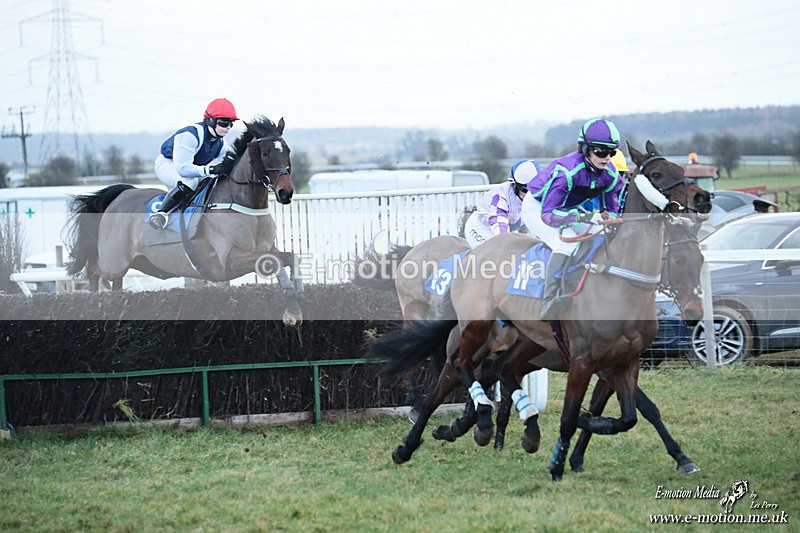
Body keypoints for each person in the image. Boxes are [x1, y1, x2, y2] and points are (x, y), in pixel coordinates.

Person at [521, 118, 625, 320]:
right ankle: (548, 301)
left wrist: (610, 219)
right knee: (566, 245)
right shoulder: (567, 172)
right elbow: (549, 215)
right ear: (585, 149)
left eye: (611, 152)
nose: (606, 158)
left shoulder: (611, 175)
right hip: (538, 207)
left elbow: (611, 207)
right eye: (601, 152)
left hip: (567, 207)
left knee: (599, 237)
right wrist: (585, 217)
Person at [149, 98, 240, 230]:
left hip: (189, 168)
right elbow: (183, 169)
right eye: (224, 123)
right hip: (168, 164)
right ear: (210, 121)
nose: (228, 128)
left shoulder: (220, 143)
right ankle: (161, 214)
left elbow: (229, 164)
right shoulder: (190, 135)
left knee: (212, 181)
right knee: (190, 182)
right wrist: (212, 169)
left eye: (231, 124)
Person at [464, 159, 541, 248]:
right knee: (498, 252)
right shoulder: (501, 196)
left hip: (508, 228)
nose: (529, 194)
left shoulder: (539, 197)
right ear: (515, 186)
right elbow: (499, 225)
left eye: (534, 189)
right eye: (525, 189)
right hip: (482, 227)